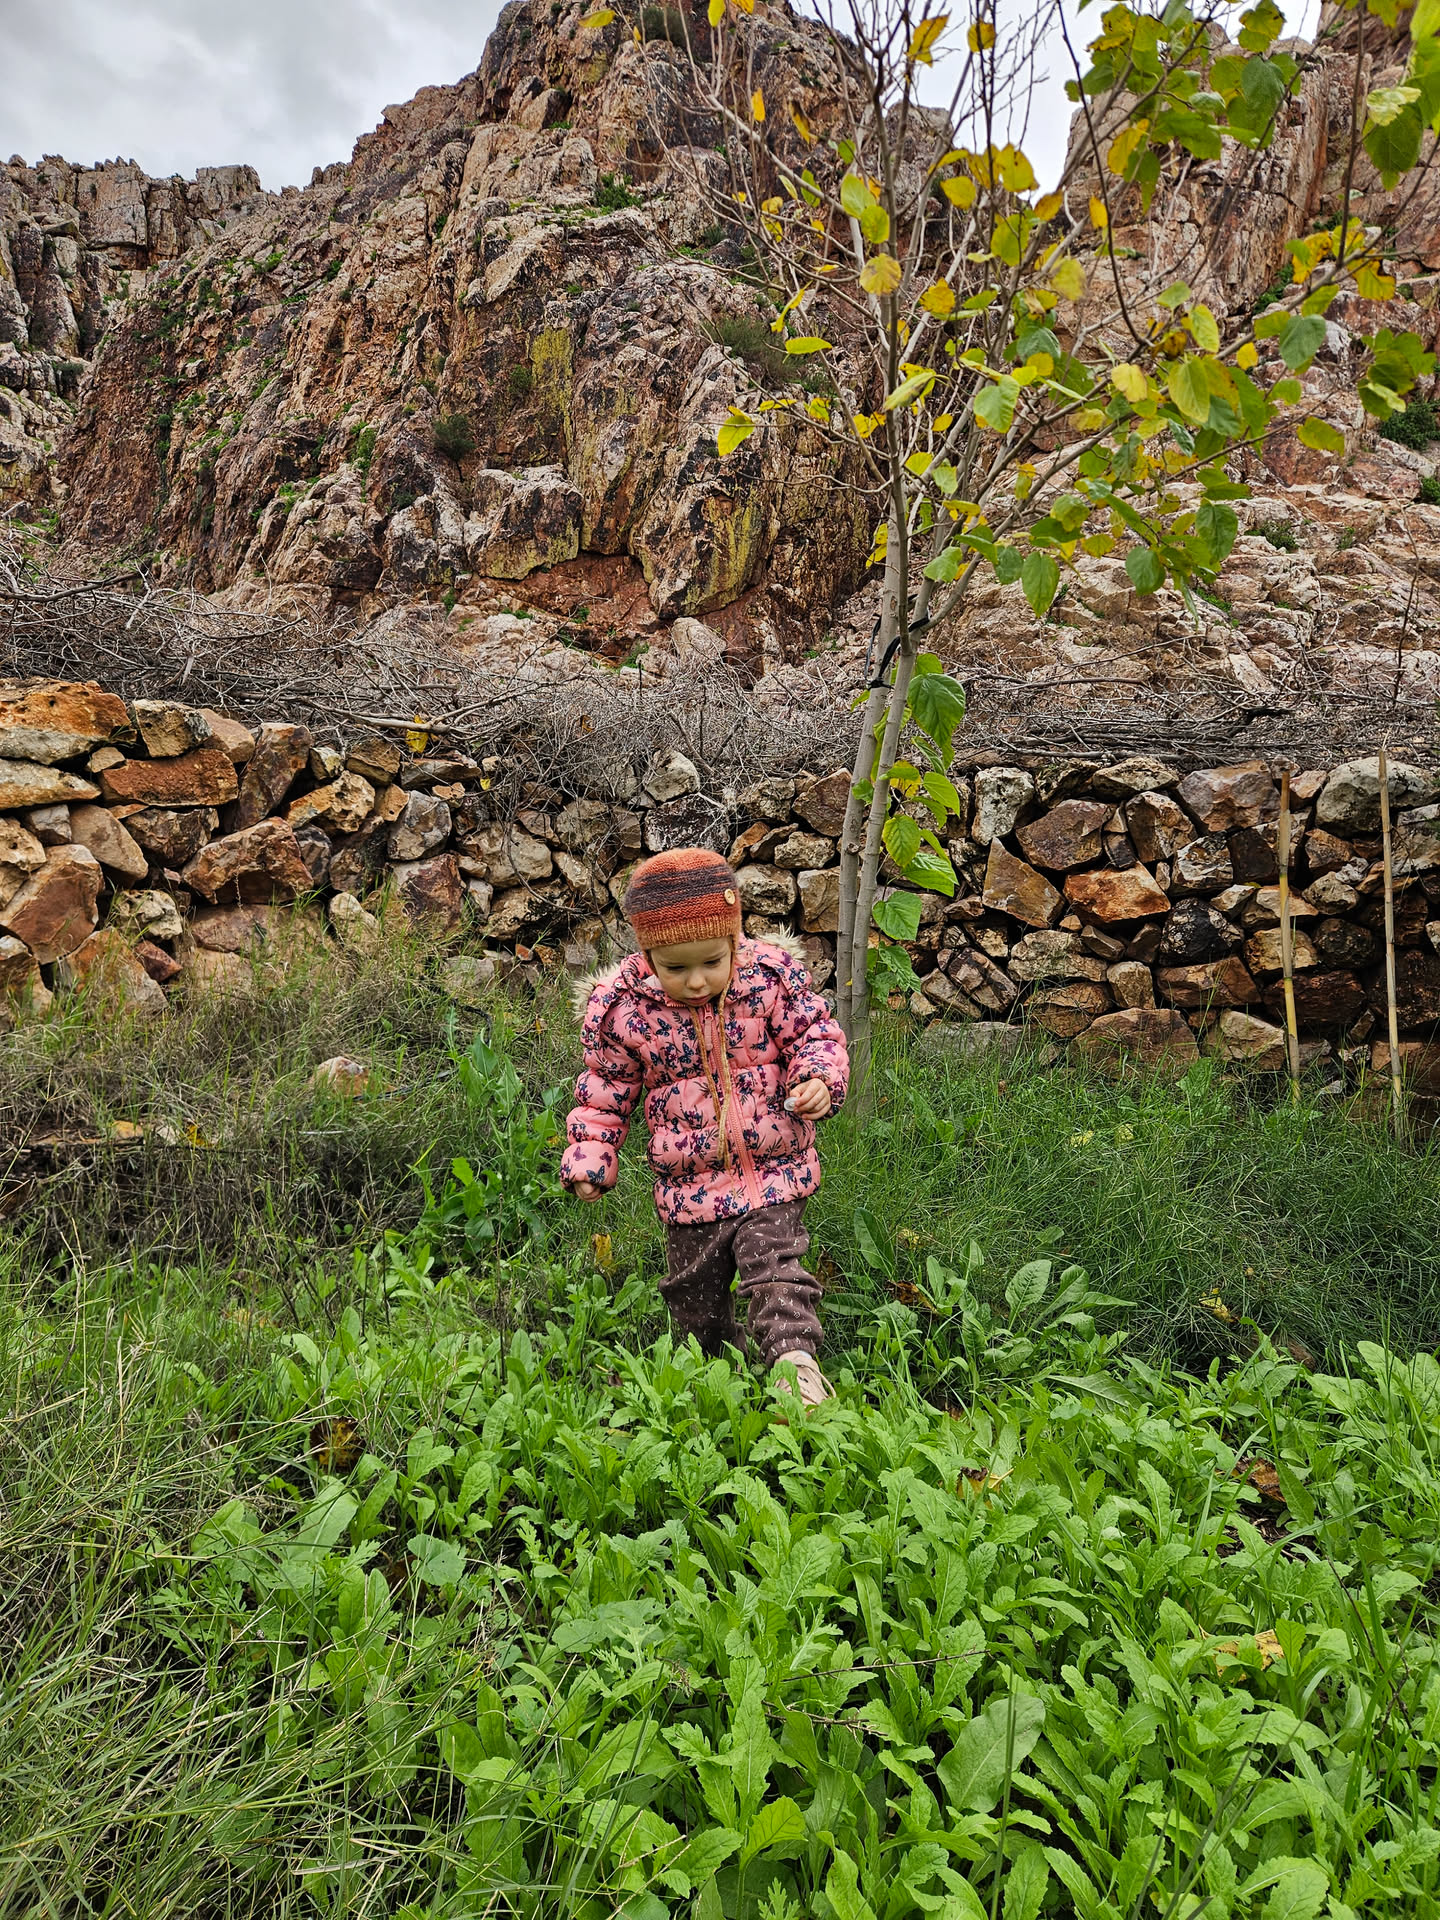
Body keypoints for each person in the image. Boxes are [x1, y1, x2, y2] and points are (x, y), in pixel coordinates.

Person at [561, 846, 850, 1406]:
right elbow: (606, 1088)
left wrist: (817, 1077)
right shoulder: (627, 1012)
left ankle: (795, 1368)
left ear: (734, 939)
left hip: (773, 1171)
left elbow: (814, 1035)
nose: (696, 981)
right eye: (676, 968)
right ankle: (715, 1375)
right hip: (690, 1185)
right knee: (694, 1296)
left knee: (776, 1269)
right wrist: (592, 1152)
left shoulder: (768, 981)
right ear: (647, 953)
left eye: (711, 962)